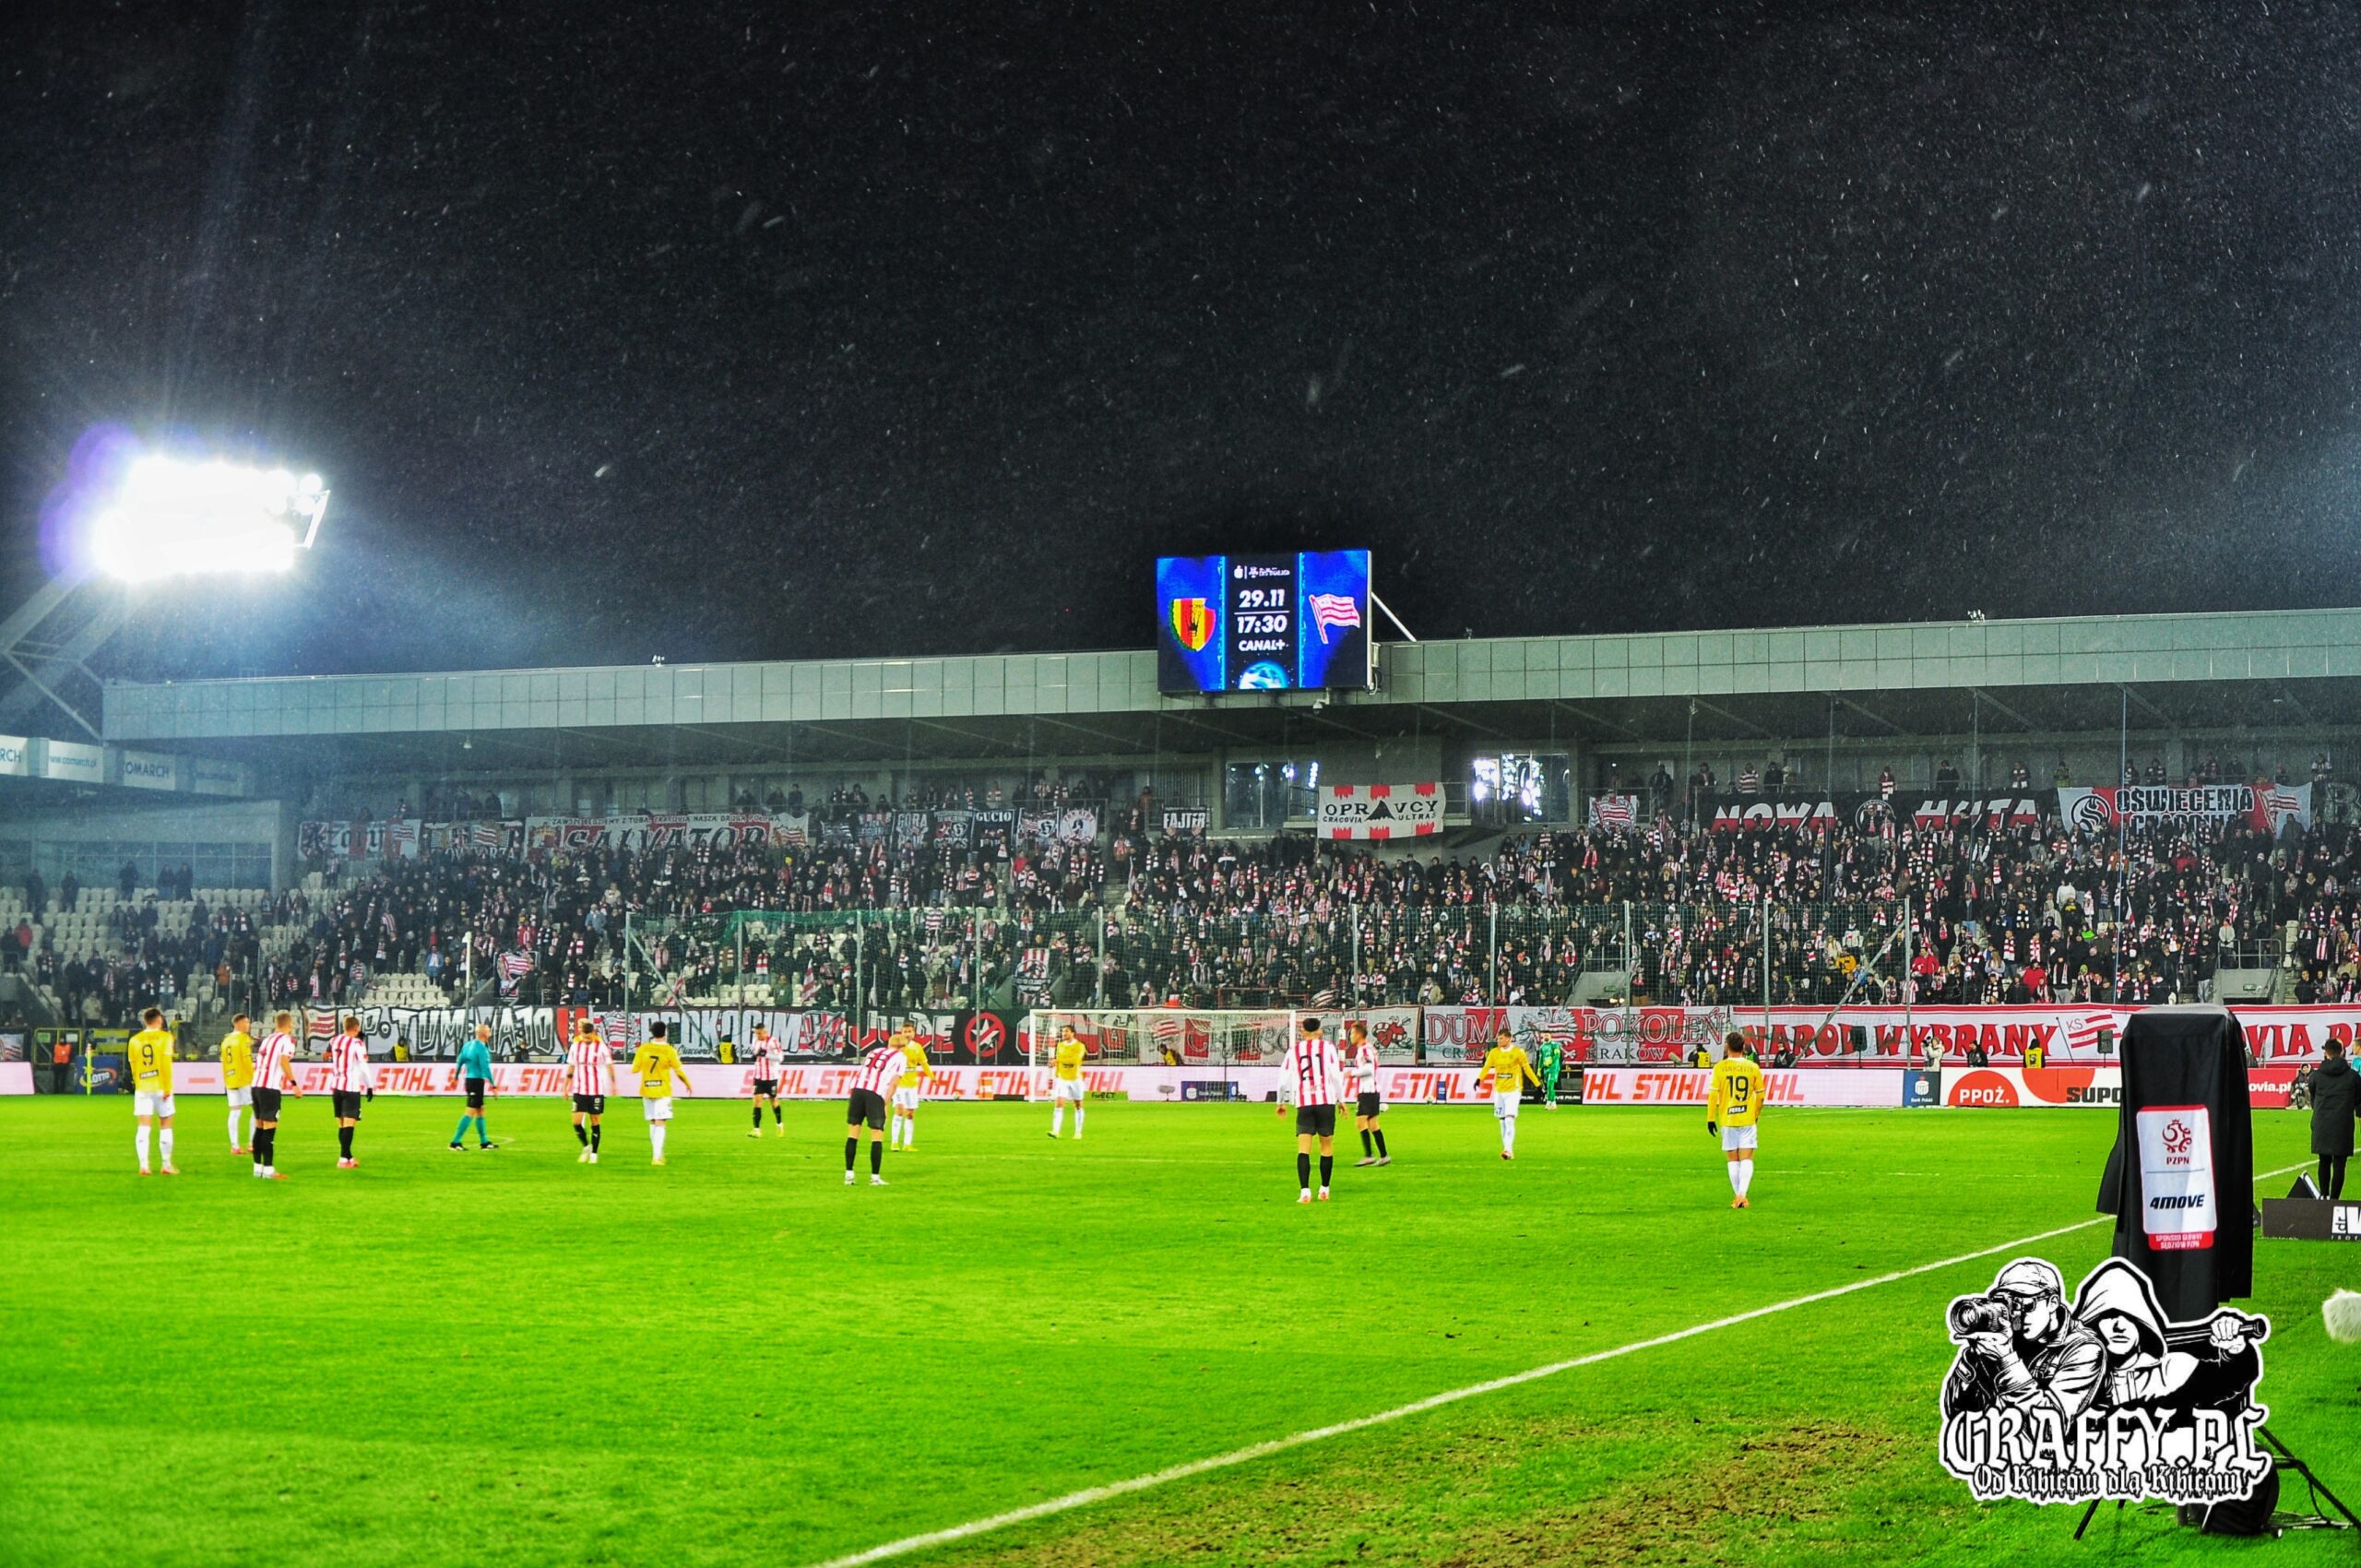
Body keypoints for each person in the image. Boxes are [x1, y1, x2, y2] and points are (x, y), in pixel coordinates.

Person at [1940, 1258, 2105, 1420]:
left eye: (2026, 1305)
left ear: (2053, 1303)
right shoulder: (2005, 1341)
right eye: (2009, 1306)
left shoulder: (2085, 1349)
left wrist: (2007, 1361)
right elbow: (1958, 1414)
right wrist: (1974, 1359)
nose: (2017, 1315)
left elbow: (2049, 1424)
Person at [1278, 1016, 1347, 1203]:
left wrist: (1280, 1102)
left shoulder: (1294, 1050)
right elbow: (1336, 1075)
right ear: (1320, 1032)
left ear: (1302, 1032)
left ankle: (1305, 1192)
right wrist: (1341, 1099)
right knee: (1326, 1147)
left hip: (1305, 1102)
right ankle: (1324, 1189)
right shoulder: (1328, 1048)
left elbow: (1283, 1079)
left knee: (1303, 1149)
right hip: (1326, 1102)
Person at [1706, 1031, 1764, 1209]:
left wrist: (1710, 1118)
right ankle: (1742, 1195)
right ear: (1743, 1047)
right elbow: (1761, 1096)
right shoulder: (1753, 1067)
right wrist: (1755, 1114)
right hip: (1747, 1119)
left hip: (1728, 1120)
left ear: (1727, 1047)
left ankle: (1738, 1197)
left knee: (1732, 1159)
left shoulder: (1720, 1068)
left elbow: (1713, 1095)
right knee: (1747, 1158)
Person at [844, 1035, 906, 1185]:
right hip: (875, 1092)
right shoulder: (900, 1057)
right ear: (902, 1047)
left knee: (853, 1132)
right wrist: (885, 1103)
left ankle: (849, 1174)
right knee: (877, 1134)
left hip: (857, 1089)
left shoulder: (874, 1051)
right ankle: (875, 1178)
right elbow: (894, 1083)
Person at [249, 1012, 302, 1179]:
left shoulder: (267, 1039)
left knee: (259, 1127)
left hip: (256, 1086)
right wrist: (294, 1084)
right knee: (269, 1128)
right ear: (290, 1024)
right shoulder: (287, 1040)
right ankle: (269, 1169)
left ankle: (257, 1168)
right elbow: (283, 1061)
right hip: (270, 1088)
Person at [630, 1021, 689, 1166]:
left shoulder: (643, 1049)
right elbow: (678, 1071)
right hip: (662, 1090)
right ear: (665, 1033)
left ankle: (658, 1153)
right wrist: (687, 1083)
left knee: (652, 1121)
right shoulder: (669, 1050)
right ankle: (656, 1157)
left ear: (652, 1033)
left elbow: (634, 1069)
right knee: (660, 1122)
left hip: (646, 1089)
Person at [128, 1006, 177, 1176]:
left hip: (143, 1087)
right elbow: (166, 1064)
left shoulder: (134, 1040)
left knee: (143, 1127)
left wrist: (138, 1083)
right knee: (165, 1125)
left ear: (145, 1021)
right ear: (159, 1020)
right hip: (160, 1087)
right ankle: (166, 1165)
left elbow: (133, 1066)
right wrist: (167, 1087)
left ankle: (144, 1166)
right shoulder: (166, 1037)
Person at [1479, 1028, 1540, 1160]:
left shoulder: (1518, 1052)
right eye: (1498, 1038)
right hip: (1499, 1090)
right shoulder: (1494, 1052)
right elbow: (1487, 1066)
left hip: (1513, 1090)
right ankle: (1507, 1148)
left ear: (1509, 1038)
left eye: (1501, 1038)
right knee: (1502, 1121)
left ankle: (1508, 1149)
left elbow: (1526, 1068)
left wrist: (1537, 1083)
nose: (1498, 1040)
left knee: (1509, 1119)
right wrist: (1480, 1078)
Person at [2308, 1039, 2357, 1199]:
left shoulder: (2316, 1075)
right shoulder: (2352, 1076)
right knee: (2339, 1164)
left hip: (2322, 1121)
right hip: (2343, 1123)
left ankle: (2324, 1196)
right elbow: (2358, 1098)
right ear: (2342, 1052)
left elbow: (2313, 1097)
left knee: (2323, 1160)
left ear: (2326, 1053)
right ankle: (2335, 1199)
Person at [326, 1016, 374, 1170]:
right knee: (349, 1125)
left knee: (341, 1125)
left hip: (336, 1087)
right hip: (351, 1087)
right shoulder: (357, 1043)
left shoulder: (334, 1040)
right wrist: (370, 1086)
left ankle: (348, 1156)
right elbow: (363, 1066)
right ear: (356, 1028)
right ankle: (342, 1159)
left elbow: (329, 1055)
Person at [566, 1023, 616, 1165]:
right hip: (579, 1090)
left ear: (593, 1034)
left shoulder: (601, 1047)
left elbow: (609, 1066)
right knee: (576, 1122)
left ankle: (594, 1153)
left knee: (595, 1121)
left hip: (596, 1091)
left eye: (589, 1038)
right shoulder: (575, 1047)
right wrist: (566, 1087)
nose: (587, 1040)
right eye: (584, 1037)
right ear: (581, 1034)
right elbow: (571, 1067)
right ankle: (586, 1146)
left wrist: (613, 1084)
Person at [1346, 1019, 1389, 1168]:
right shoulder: (1369, 1048)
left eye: (1352, 1033)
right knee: (1373, 1124)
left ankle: (1369, 1156)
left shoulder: (1364, 1050)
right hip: (1372, 1091)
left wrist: (1351, 1073)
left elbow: (1369, 1069)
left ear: (1359, 1034)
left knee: (1360, 1122)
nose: (1351, 1036)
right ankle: (1384, 1156)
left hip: (1367, 1091)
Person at [450, 1021, 496, 1151]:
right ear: (484, 1033)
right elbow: (485, 1067)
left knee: (480, 1110)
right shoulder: (481, 1048)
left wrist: (455, 1077)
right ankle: (455, 1142)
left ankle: (484, 1142)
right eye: (488, 1030)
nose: (490, 1032)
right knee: (470, 1111)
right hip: (476, 1081)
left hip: (470, 1080)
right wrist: (494, 1085)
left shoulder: (467, 1045)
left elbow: (460, 1061)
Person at [219, 1013, 256, 1154]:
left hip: (230, 1079)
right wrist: (254, 1076)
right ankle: (252, 1143)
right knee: (257, 1109)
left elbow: (223, 1062)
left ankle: (234, 1146)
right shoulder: (243, 1038)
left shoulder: (226, 1040)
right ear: (238, 1023)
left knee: (234, 1111)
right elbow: (246, 1060)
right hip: (244, 1078)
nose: (248, 1025)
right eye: (246, 1022)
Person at [889, 1023, 927, 1150]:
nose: (907, 1034)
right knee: (899, 1111)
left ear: (914, 1033)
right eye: (905, 1031)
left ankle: (907, 1144)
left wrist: (932, 1077)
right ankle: (894, 1142)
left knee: (910, 1114)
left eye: (910, 1031)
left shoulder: (917, 1047)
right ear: (901, 1033)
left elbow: (924, 1063)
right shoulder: (897, 1047)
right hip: (899, 1084)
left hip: (912, 1085)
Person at [1047, 1023, 1087, 1140]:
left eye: (1066, 1031)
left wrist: (1058, 1060)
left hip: (1075, 1079)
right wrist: (1056, 1069)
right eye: (1063, 1031)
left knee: (1078, 1105)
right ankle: (1056, 1131)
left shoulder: (1080, 1046)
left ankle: (1078, 1132)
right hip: (1062, 1079)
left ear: (1073, 1033)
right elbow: (1059, 1061)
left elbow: (1075, 1060)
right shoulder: (1060, 1045)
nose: (1064, 1033)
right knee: (1059, 1105)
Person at [747, 1024, 784, 1138]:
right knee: (757, 1102)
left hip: (771, 1077)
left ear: (765, 1032)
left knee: (773, 1101)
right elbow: (756, 1055)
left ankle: (779, 1124)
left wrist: (766, 1055)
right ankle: (756, 1130)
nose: (757, 1036)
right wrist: (754, 1056)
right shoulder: (755, 1041)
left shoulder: (773, 1041)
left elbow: (780, 1058)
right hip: (758, 1076)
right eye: (756, 1033)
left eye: (759, 1033)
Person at [1533, 1030, 1565, 1111]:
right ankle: (1553, 1103)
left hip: (1553, 1068)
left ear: (1550, 1036)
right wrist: (1539, 1069)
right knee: (1548, 1087)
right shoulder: (1542, 1047)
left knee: (1550, 1085)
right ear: (1543, 1037)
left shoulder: (1554, 1045)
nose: (1546, 1037)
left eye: (1547, 1035)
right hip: (1545, 1069)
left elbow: (1557, 1055)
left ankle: (1548, 1103)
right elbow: (1541, 1059)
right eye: (1545, 1035)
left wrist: (1551, 1061)